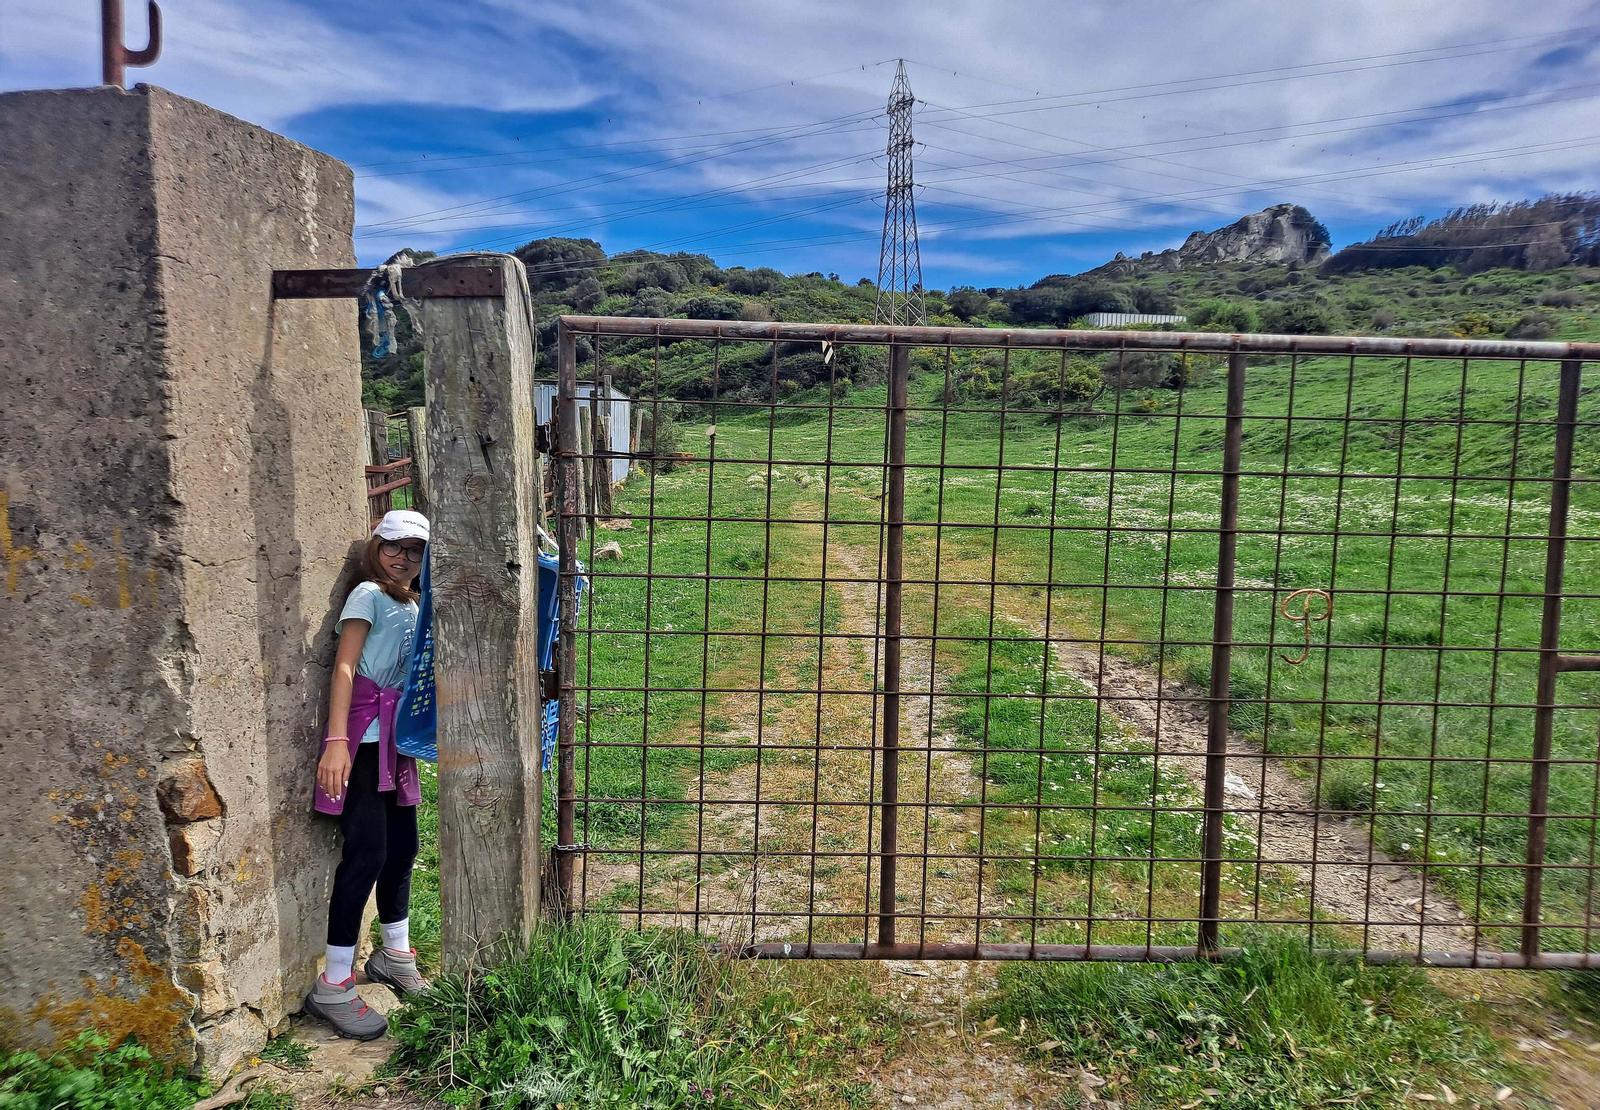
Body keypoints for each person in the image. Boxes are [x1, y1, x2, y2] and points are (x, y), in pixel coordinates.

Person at [304, 509, 431, 1040]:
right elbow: (344, 667)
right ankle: (334, 984)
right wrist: (336, 744)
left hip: (395, 739)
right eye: (394, 547)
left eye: (415, 551)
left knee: (404, 847)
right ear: (375, 548)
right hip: (361, 739)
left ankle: (394, 953)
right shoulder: (368, 596)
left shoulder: (415, 602)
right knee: (367, 853)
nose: (403, 558)